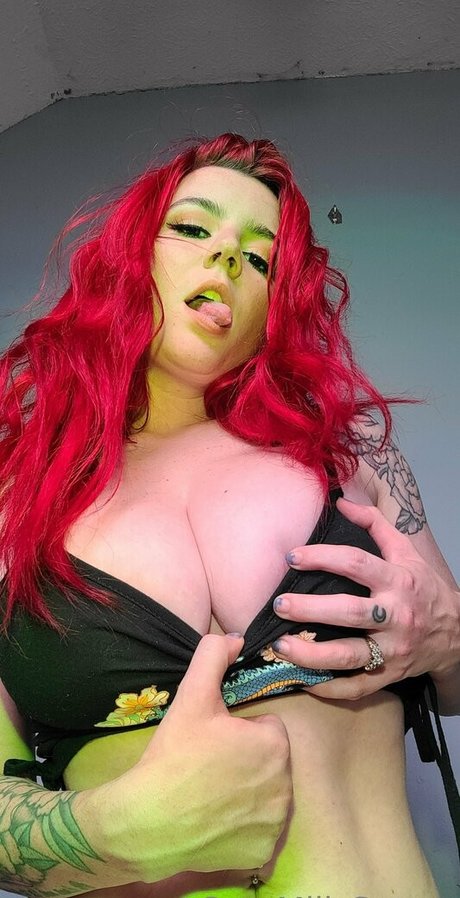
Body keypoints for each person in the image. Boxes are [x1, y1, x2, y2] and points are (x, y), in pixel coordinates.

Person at [0, 132, 458, 898]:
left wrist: (447, 636)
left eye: (260, 258)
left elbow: (458, 677)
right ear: (129, 254)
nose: (228, 259)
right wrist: (114, 831)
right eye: (192, 228)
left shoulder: (352, 456)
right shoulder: (16, 497)